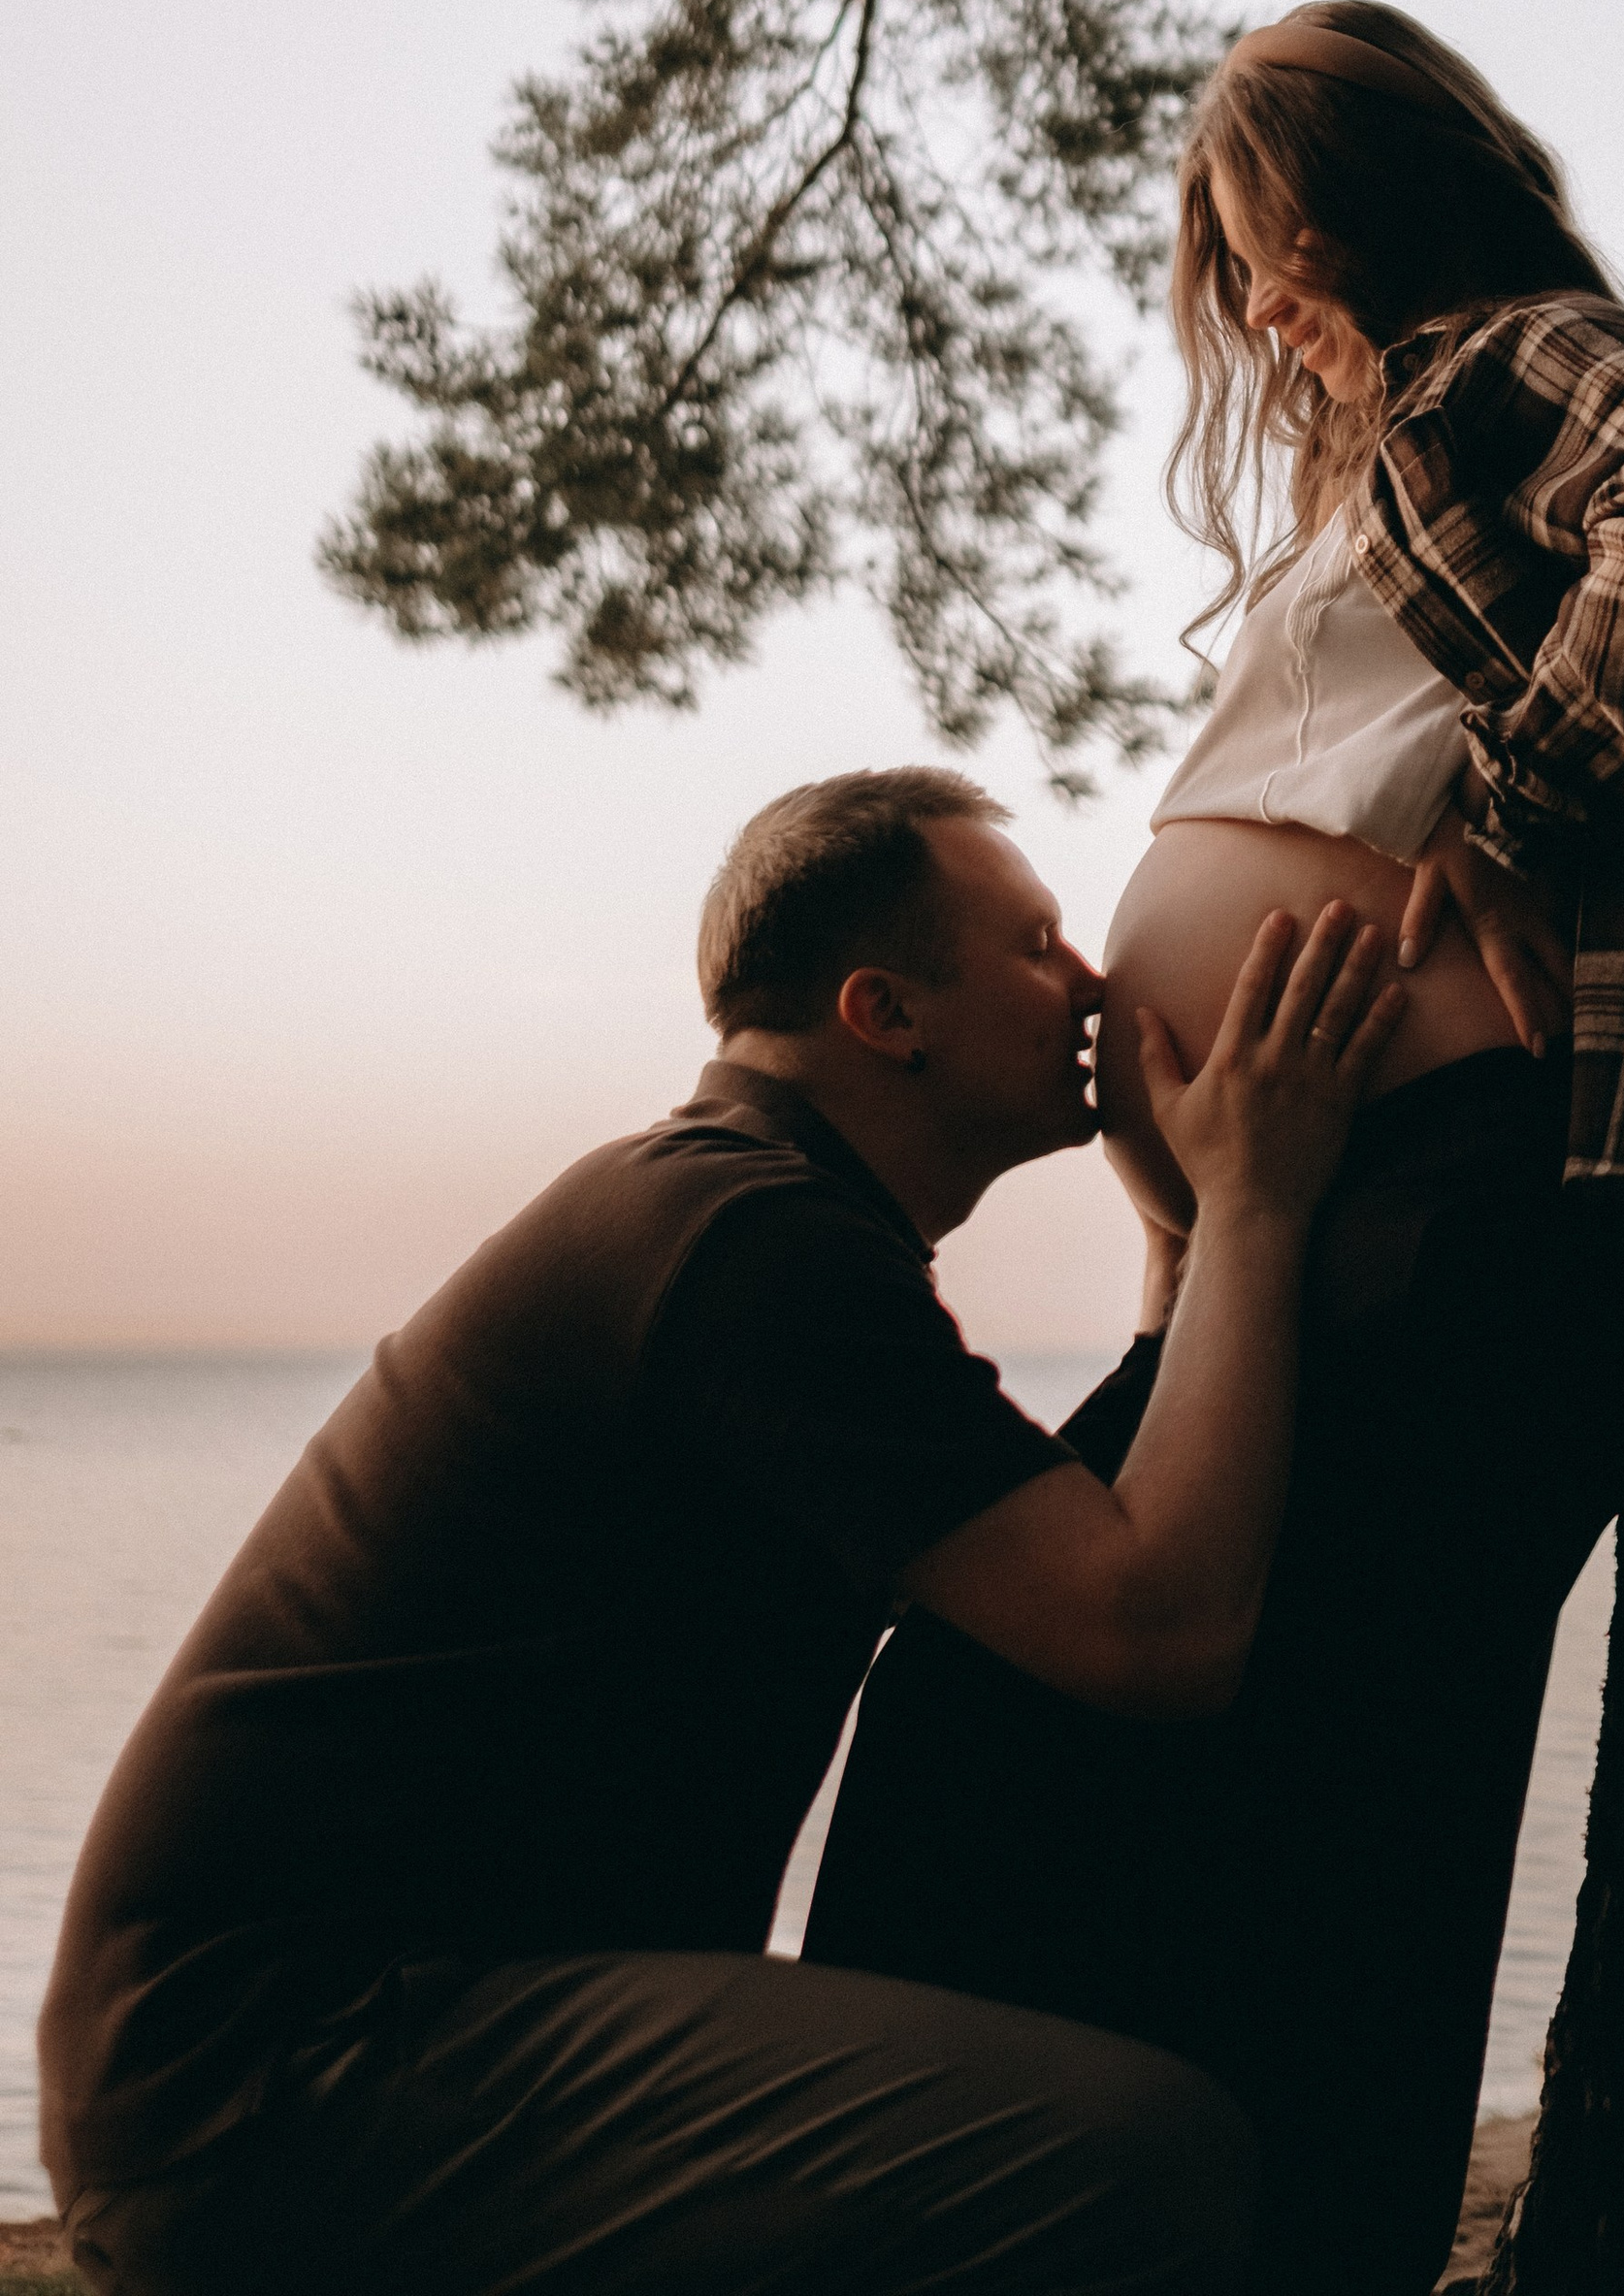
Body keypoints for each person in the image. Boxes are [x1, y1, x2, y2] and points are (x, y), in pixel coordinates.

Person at [807, 6, 1624, 2295]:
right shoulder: (1377, 464)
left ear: (1379, 209)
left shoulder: (1493, 365)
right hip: (1305, 1228)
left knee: (1328, 1802)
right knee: (1058, 1724)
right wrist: (1181, 1237)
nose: (1259, 306)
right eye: (1231, 269)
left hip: (1462, 1209)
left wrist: (1515, 801)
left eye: (1275, 250)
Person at [40, 767, 1410, 2296]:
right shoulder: (746, 1250)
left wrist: (1180, 1236)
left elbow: (1080, 1539)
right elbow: (1156, 1628)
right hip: (295, 2075)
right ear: (886, 1013)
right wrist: (1257, 1208)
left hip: (307, 2054)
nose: (1091, 984)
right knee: (1152, 2155)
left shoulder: (746, 1216)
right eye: (1035, 946)